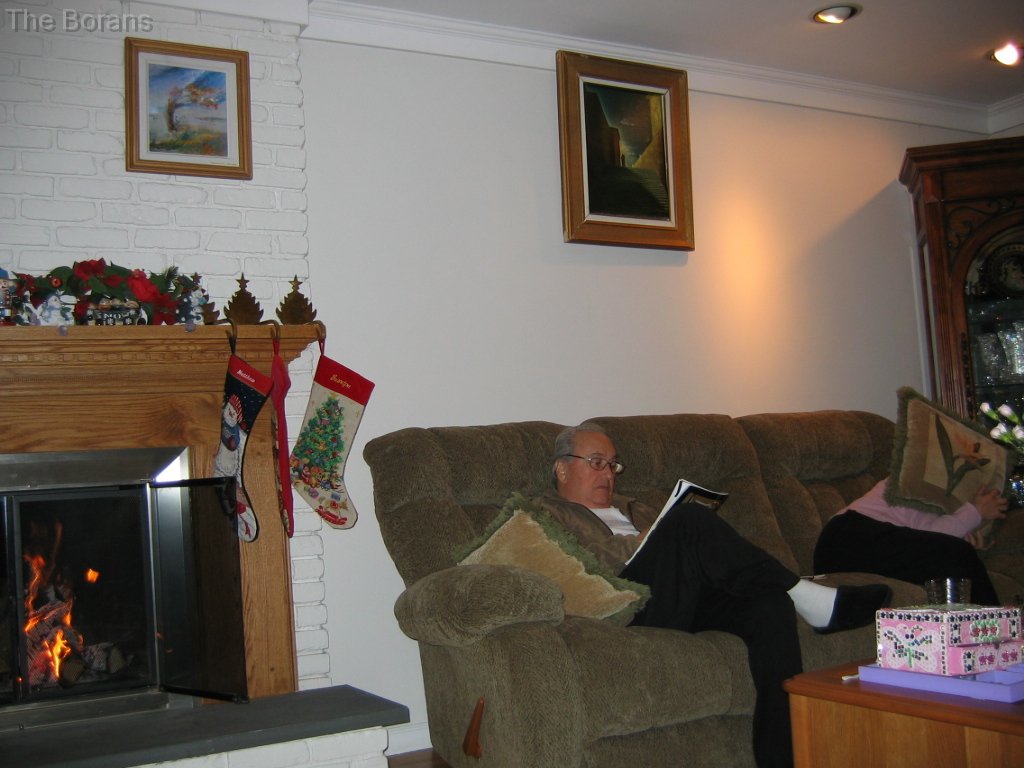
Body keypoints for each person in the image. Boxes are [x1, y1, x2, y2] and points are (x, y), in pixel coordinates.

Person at [535, 422, 892, 768]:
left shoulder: (635, 506)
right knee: (687, 519)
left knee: (770, 605)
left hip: (684, 596)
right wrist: (643, 541)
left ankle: (782, 757)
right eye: (596, 462)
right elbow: (575, 566)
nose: (609, 474)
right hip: (631, 604)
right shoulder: (544, 515)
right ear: (562, 469)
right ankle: (806, 594)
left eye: (613, 465)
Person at [813, 477, 1007, 605]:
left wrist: (968, 527)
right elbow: (938, 537)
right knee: (957, 554)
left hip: (850, 549)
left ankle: (984, 642)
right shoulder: (916, 479)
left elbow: (927, 542)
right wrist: (975, 512)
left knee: (956, 563)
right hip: (850, 536)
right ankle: (999, 642)